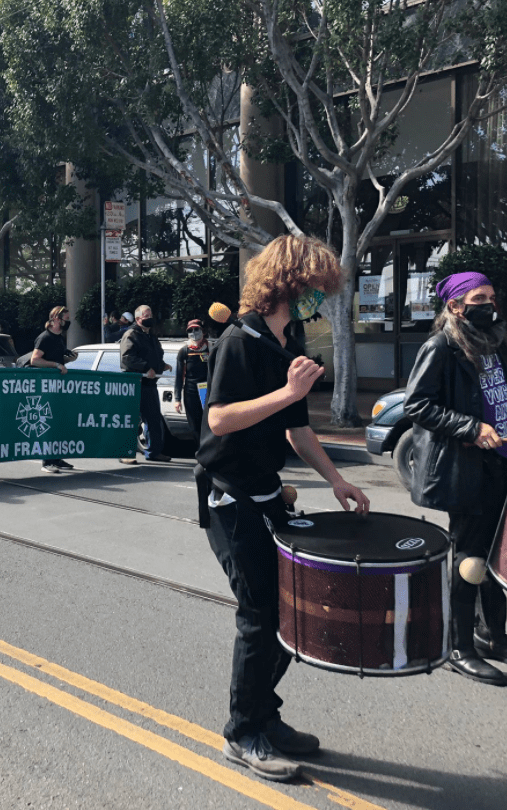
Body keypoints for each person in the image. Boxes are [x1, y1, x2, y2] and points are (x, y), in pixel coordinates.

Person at [196, 235, 370, 782]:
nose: (319, 299)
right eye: (314, 288)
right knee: (260, 616)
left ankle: (265, 718)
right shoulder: (237, 341)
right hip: (231, 498)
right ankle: (242, 732)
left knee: (288, 614)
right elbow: (220, 419)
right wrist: (287, 393)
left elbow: (297, 430)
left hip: (268, 494)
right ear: (288, 284)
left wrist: (337, 479)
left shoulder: (283, 341)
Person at [404, 271, 507, 685]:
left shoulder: (494, 345)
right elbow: (417, 404)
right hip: (466, 470)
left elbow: (493, 400)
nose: (488, 304)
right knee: (470, 558)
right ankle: (459, 646)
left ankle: (495, 636)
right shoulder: (441, 347)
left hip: (502, 463)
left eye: (491, 296)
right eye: (478, 298)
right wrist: (470, 429)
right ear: (455, 307)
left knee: (495, 557)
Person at [119, 305, 171, 464]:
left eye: (151, 314)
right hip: (135, 383)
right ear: (137, 319)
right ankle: (126, 453)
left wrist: (162, 365)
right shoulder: (131, 335)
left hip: (150, 384)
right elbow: (127, 358)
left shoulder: (151, 336)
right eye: (146, 316)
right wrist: (146, 368)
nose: (150, 318)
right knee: (132, 420)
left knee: (154, 419)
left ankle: (154, 452)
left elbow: (155, 355)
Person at [30, 305, 77, 473]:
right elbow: (35, 360)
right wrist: (56, 364)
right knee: (47, 422)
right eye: (66, 318)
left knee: (58, 422)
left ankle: (56, 458)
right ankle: (47, 461)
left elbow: (57, 359)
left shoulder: (59, 338)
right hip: (45, 387)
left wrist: (67, 360)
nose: (68, 321)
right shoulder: (45, 337)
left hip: (58, 386)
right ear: (56, 319)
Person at [174, 319, 209, 444]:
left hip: (207, 391)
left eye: (196, 329)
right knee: (194, 425)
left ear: (203, 331)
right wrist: (177, 399)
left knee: (209, 424)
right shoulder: (184, 351)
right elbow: (179, 376)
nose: (194, 332)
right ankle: (201, 452)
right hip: (191, 392)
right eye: (190, 330)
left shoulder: (211, 349)